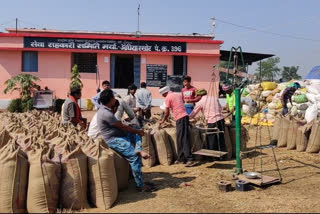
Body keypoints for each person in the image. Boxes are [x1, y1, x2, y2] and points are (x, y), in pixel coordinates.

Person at [97, 89, 156, 192]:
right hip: (113, 139)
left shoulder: (105, 109)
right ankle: (140, 186)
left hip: (119, 134)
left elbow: (122, 126)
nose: (114, 99)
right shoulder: (106, 113)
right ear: (110, 99)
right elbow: (122, 127)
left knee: (136, 131)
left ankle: (138, 149)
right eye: (113, 97)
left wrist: (135, 130)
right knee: (134, 158)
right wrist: (137, 131)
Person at [158, 86, 196, 167]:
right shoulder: (177, 94)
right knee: (180, 138)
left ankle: (190, 159)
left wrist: (162, 121)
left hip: (181, 118)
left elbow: (166, 113)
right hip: (183, 117)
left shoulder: (168, 97)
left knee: (184, 138)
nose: (162, 96)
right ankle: (181, 158)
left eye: (162, 94)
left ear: (164, 92)